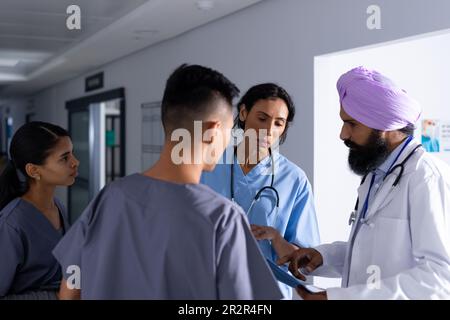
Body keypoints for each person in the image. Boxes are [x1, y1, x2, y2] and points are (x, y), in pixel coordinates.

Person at [53, 64, 283, 300]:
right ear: (213, 131)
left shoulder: (109, 197)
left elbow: (71, 284)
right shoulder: (222, 218)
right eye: (228, 131)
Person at [279, 66, 450, 300]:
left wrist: (337, 298)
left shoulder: (426, 177)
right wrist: (324, 256)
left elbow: (440, 279)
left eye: (352, 124)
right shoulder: (377, 174)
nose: (343, 134)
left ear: (384, 126)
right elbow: (374, 254)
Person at [201, 83, 320, 299]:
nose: (268, 130)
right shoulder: (209, 165)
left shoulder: (294, 179)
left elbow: (306, 259)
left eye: (278, 123)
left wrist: (277, 239)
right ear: (244, 113)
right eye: (262, 119)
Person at [0, 122, 78, 299]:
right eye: (65, 158)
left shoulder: (58, 207)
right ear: (34, 170)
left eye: (72, 154)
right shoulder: (11, 225)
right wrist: (57, 297)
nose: (75, 162)